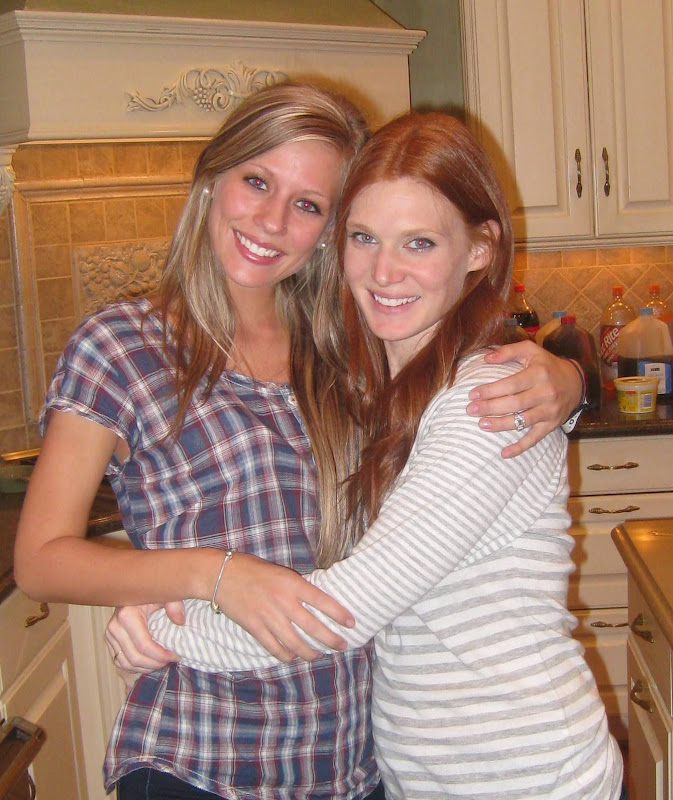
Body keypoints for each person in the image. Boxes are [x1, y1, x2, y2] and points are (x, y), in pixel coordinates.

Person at [14, 80, 584, 800]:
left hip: (355, 761)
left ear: (328, 229)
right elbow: (41, 559)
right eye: (256, 181)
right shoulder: (123, 346)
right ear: (213, 177)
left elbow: (420, 520)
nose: (272, 220)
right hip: (203, 753)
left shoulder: (349, 352)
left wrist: (570, 380)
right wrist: (210, 575)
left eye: (309, 204)